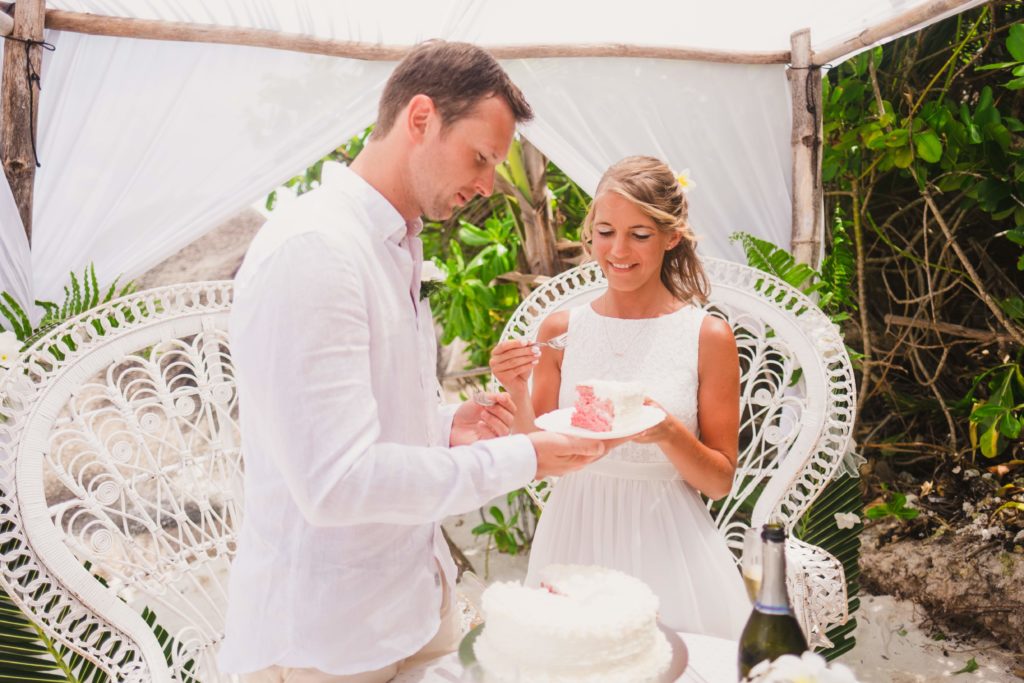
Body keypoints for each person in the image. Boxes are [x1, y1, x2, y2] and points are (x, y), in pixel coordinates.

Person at [219, 41, 613, 683]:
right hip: (329, 640)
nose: (487, 185)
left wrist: (446, 423)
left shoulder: (394, 243)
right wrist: (525, 455)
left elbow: (366, 417)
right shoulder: (315, 251)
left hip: (413, 605)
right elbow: (337, 481)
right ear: (421, 118)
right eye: (481, 157)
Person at [489, 155, 750, 638]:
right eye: (605, 231)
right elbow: (536, 458)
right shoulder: (561, 329)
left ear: (671, 237)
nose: (618, 250)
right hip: (574, 532)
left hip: (668, 539)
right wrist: (516, 388)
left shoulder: (707, 335)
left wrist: (669, 432)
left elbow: (718, 483)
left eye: (640, 234)